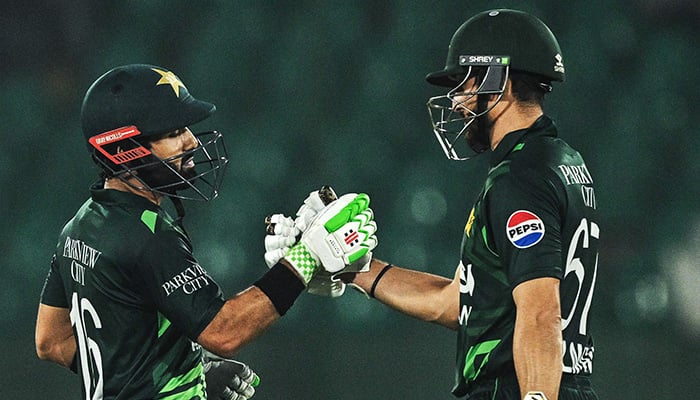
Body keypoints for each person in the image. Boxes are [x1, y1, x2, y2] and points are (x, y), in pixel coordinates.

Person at [267, 8, 599, 400]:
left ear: (498, 79)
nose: (457, 101)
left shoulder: (519, 178)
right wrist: (355, 269)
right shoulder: (561, 162)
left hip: (516, 388)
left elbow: (541, 311)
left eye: (464, 83)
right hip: (561, 383)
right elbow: (455, 301)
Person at [35, 64, 377, 400]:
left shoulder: (79, 226)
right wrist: (306, 257)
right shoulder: (147, 236)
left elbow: (51, 340)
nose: (192, 141)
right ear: (124, 150)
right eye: (172, 132)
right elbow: (224, 332)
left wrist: (182, 372)